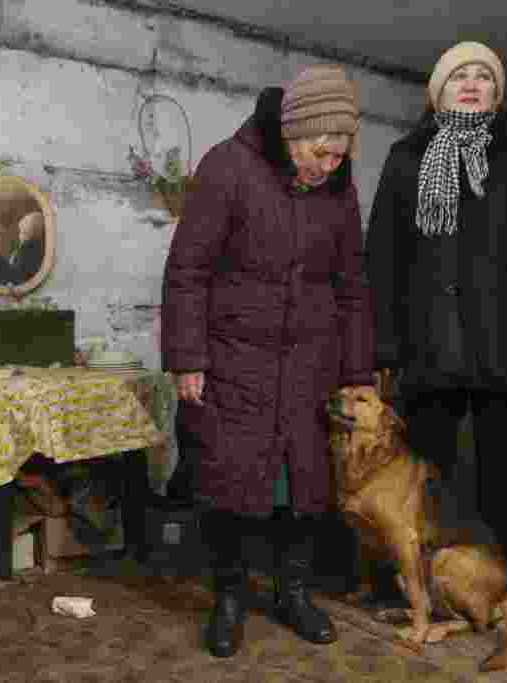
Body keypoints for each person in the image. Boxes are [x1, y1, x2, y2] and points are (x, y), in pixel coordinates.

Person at [161, 64, 375, 657]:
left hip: (311, 366)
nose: (328, 165)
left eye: (338, 155)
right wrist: (187, 357)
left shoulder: (340, 190)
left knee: (302, 489)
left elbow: (352, 284)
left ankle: (293, 592)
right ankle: (229, 599)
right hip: (235, 363)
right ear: (292, 132)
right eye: (319, 151)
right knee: (229, 486)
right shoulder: (228, 166)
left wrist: (359, 372)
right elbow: (188, 270)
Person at [364, 42, 507, 616]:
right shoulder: (406, 159)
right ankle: (412, 586)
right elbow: (381, 260)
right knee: (421, 480)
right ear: (438, 90)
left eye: (483, 76)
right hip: (428, 344)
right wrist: (384, 343)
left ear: (496, 92)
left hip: (505, 341)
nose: (471, 83)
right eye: (458, 75)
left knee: (504, 480)